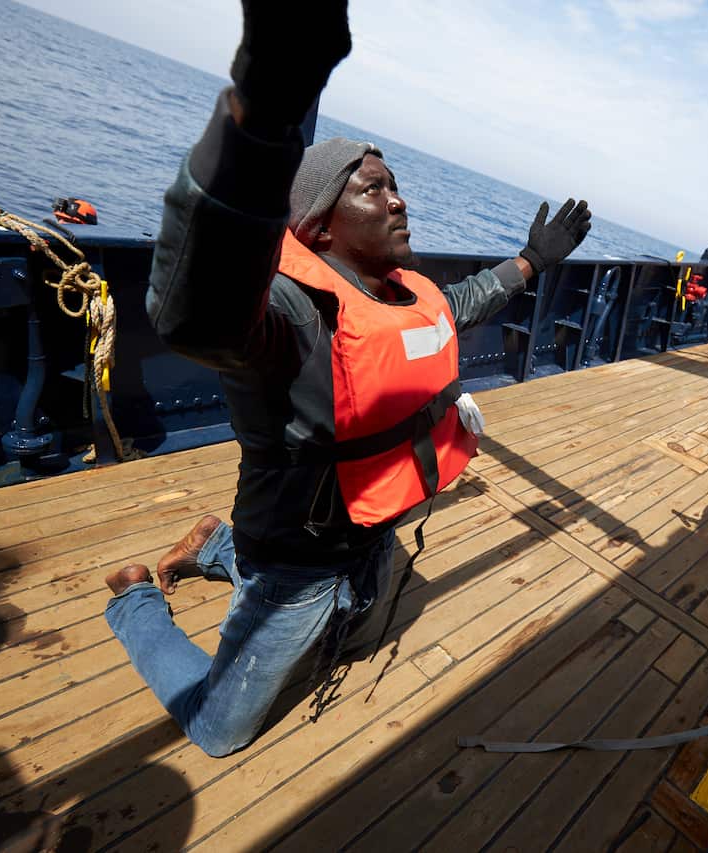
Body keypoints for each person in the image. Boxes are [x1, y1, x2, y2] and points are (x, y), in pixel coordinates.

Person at [101, 1, 592, 758]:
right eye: (372, 189)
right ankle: (136, 597)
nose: (398, 199)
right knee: (218, 729)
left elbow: (463, 305)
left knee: (360, 638)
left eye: (396, 185)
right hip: (294, 561)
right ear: (319, 225)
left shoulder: (403, 294)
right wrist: (261, 123)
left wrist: (532, 260)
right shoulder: (289, 315)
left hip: (371, 540)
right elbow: (200, 311)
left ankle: (212, 544)